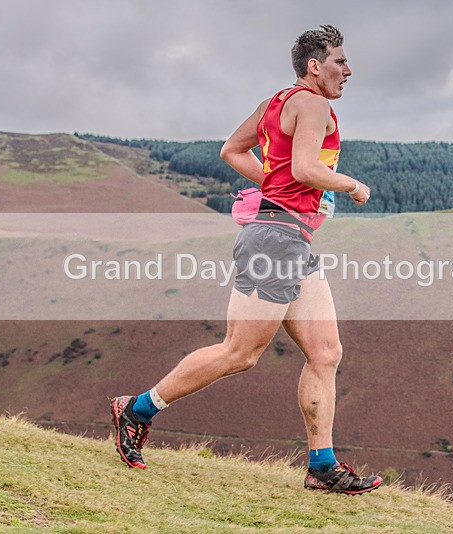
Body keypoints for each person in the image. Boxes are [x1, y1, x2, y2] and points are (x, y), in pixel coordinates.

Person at [111, 24, 381, 495]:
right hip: (274, 241)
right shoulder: (315, 104)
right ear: (315, 66)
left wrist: (280, 191)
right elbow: (305, 168)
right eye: (340, 60)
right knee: (240, 353)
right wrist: (350, 185)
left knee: (325, 352)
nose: (348, 70)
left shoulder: (274, 103)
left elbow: (232, 151)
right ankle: (136, 409)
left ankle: (321, 466)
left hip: (291, 240)